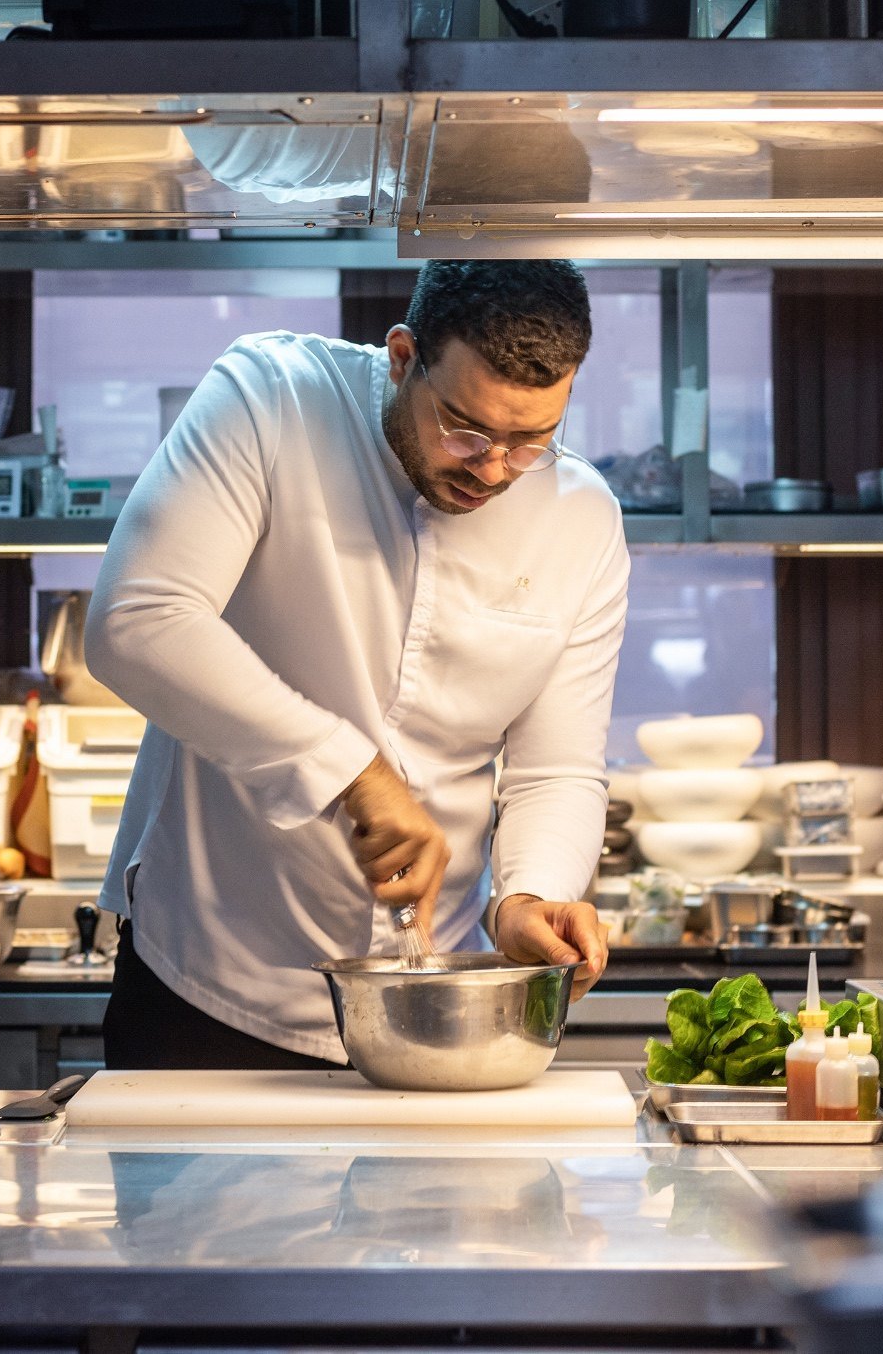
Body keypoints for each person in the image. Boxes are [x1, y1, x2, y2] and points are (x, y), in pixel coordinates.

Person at [84, 260, 629, 1069]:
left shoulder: (581, 520)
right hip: (212, 987)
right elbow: (137, 622)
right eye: (465, 429)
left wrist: (528, 897)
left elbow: (557, 768)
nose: (491, 468)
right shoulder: (270, 399)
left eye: (529, 443)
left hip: (431, 1004)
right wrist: (351, 769)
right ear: (404, 356)